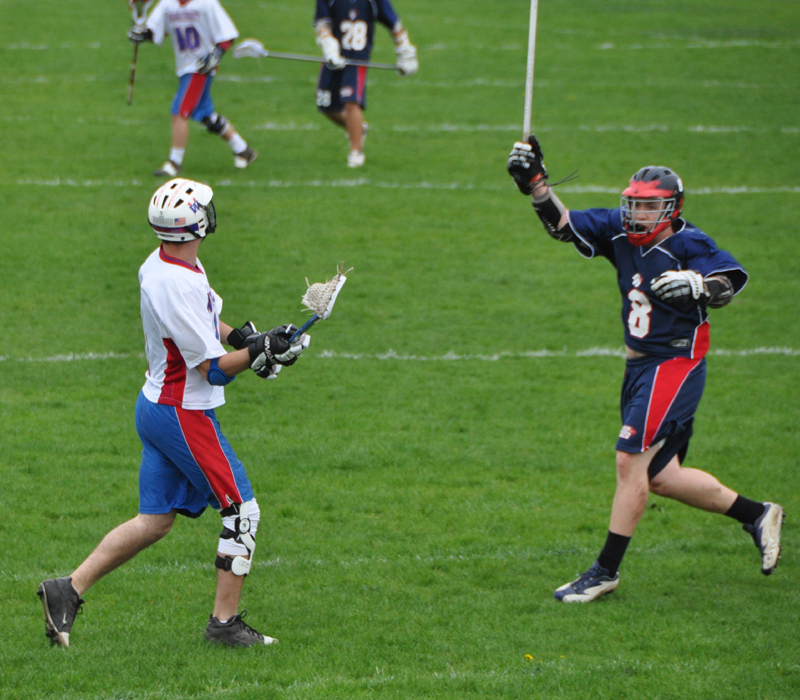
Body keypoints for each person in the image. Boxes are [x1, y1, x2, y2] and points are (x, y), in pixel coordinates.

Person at [507, 137, 785, 603]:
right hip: (639, 366)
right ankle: (758, 514)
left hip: (675, 362)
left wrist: (700, 284)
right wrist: (536, 185)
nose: (635, 216)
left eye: (647, 208)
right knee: (662, 476)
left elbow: (730, 281)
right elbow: (564, 225)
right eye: (632, 205)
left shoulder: (690, 242)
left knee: (628, 461)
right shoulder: (619, 229)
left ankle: (604, 572)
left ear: (671, 211)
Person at [37, 178, 310, 647]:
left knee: (155, 521)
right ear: (198, 223)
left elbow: (208, 323)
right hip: (182, 412)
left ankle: (67, 590)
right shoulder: (177, 282)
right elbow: (213, 371)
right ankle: (223, 626)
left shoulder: (168, 262)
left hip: (158, 404)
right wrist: (260, 353)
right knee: (243, 512)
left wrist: (249, 340)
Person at [128, 0, 258, 177]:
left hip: (200, 67)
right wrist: (142, 34)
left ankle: (174, 162)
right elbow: (155, 31)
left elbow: (227, 34)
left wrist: (217, 54)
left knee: (179, 112)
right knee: (205, 115)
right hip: (183, 66)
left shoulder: (206, 3)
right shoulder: (168, 4)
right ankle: (243, 150)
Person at [314, 0, 419, 168]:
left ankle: (356, 152)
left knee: (351, 102)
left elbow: (394, 25)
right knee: (326, 105)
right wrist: (329, 45)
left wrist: (405, 51)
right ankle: (358, 128)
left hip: (357, 60)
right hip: (333, 59)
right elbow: (322, 23)